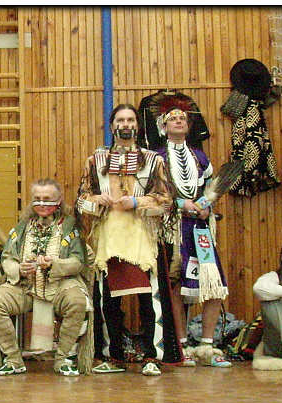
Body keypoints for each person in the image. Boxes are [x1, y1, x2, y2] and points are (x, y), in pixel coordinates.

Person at [76, 104, 172, 376]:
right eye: (120, 119)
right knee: (109, 298)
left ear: (137, 126)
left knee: (147, 298)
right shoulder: (95, 161)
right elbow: (81, 200)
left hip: (142, 235)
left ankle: (152, 356)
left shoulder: (153, 160)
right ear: (112, 126)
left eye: (130, 119)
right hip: (108, 235)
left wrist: (137, 201)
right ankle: (113, 354)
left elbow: (166, 202)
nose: (126, 124)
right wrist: (98, 200)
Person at [0, 178, 94, 376]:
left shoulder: (70, 228)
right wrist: (19, 269)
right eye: (37, 199)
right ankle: (13, 359)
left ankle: (64, 359)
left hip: (61, 286)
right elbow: (7, 258)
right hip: (25, 287)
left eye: (47, 199)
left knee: (77, 301)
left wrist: (55, 264)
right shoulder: (22, 227)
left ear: (58, 200)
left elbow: (79, 262)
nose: (42, 204)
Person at [156, 106, 232, 368]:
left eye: (182, 119)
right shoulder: (157, 158)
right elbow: (153, 192)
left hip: (200, 229)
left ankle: (207, 345)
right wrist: (179, 203)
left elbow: (211, 188)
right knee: (177, 284)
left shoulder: (200, 157)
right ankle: (181, 344)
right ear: (163, 127)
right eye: (172, 119)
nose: (178, 121)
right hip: (174, 228)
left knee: (214, 283)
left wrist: (207, 207)